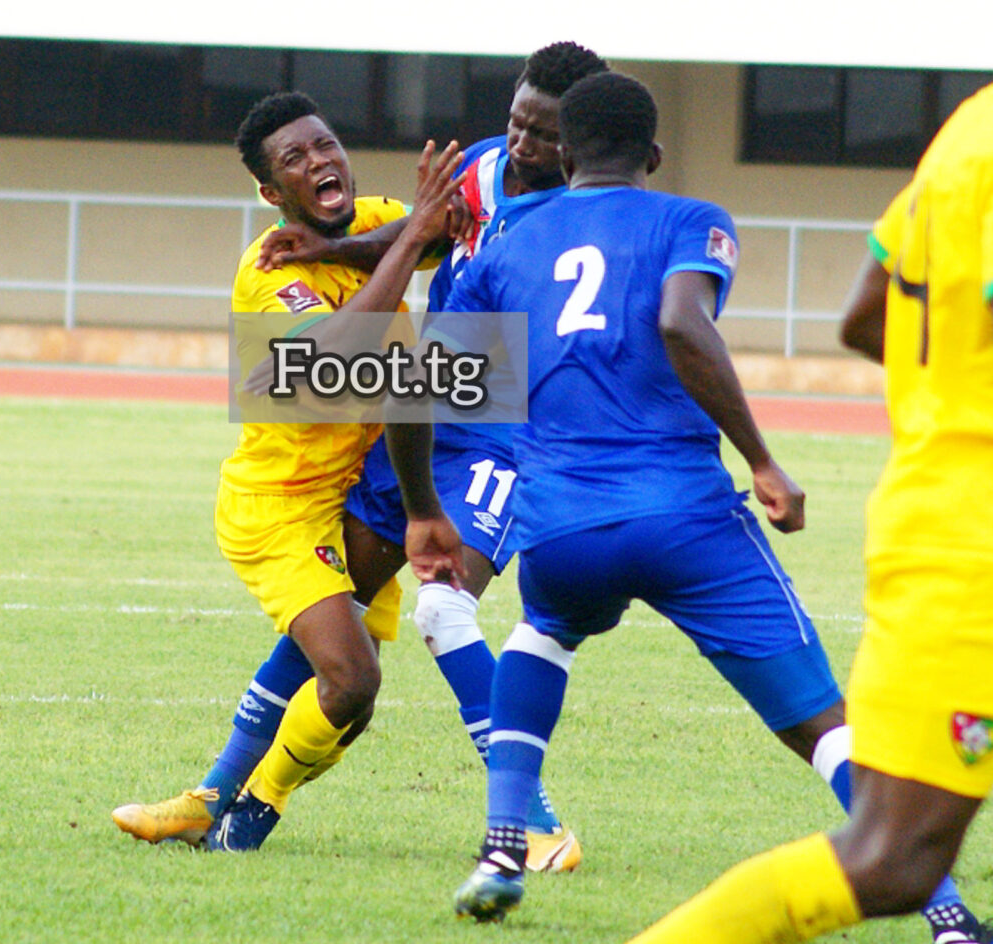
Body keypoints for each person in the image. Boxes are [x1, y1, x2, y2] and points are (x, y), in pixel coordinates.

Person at [415, 72, 983, 944]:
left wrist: (425, 508)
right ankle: (942, 909)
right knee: (821, 721)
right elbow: (683, 322)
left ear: (564, 156)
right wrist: (762, 458)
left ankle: (501, 847)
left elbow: (427, 387)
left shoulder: (506, 248)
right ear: (654, 154)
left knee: (542, 634)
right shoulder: (690, 219)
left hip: (563, 526)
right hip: (683, 514)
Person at [110, 41, 606, 873]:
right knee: (344, 655)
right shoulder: (474, 169)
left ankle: (530, 821)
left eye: (544, 133)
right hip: (375, 442)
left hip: (499, 421)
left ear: (581, 140)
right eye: (516, 121)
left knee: (438, 610)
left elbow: (410, 249)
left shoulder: (587, 219)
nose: (522, 143)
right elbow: (391, 274)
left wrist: (358, 251)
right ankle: (221, 800)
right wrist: (339, 251)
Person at [622, 80, 993, 944]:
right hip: (972, 548)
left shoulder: (965, 132)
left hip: (939, 518)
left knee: (895, 857)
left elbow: (866, 313)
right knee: (894, 858)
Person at [117, 90, 464, 853]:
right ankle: (251, 811)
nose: (319, 161)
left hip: (354, 492)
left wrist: (403, 231)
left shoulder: (372, 218)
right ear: (273, 193)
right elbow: (341, 349)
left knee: (347, 698)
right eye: (295, 159)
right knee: (351, 678)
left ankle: (209, 798)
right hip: (279, 505)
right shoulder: (267, 271)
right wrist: (408, 240)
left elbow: (441, 229)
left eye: (325, 144)